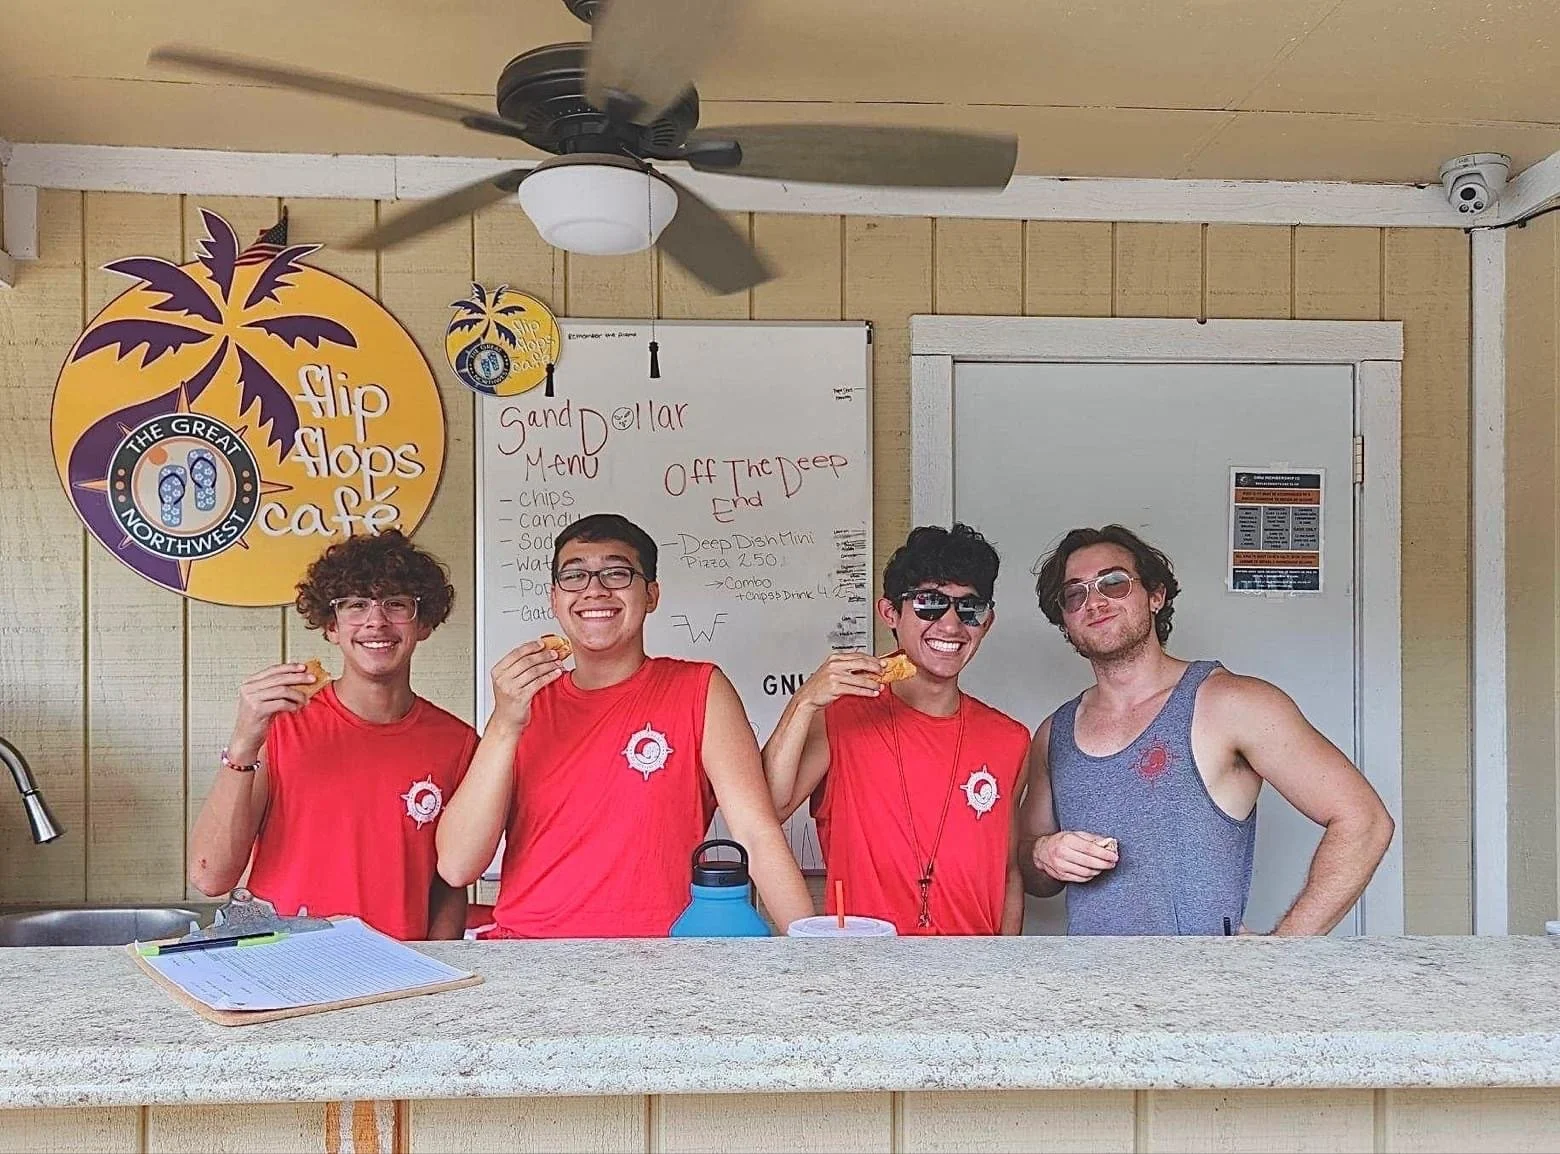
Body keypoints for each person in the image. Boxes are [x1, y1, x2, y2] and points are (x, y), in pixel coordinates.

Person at [436, 512, 815, 937]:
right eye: (574, 576)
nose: (594, 590)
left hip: (664, 953)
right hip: (529, 949)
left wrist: (814, 948)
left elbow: (756, 834)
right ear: (554, 599)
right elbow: (457, 865)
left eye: (617, 573)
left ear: (651, 595)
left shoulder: (699, 689)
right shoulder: (523, 704)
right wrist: (504, 724)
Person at [1017, 524, 1394, 936]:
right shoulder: (1054, 734)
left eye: (1114, 583)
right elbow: (1032, 877)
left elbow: (1364, 820)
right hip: (1088, 977)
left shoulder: (1233, 703)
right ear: (1065, 621)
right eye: (1075, 594)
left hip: (1206, 978)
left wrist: (1285, 948)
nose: (1095, 602)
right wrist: (1042, 853)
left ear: (1156, 596)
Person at [188, 530, 477, 940]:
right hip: (282, 961)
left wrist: (439, 961)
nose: (376, 620)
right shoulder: (280, 725)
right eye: (356, 605)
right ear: (331, 625)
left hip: (400, 967)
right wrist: (242, 743)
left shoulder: (458, 743)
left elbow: (449, 884)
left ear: (424, 622)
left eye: (396, 604)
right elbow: (209, 876)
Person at [763, 524, 1030, 935]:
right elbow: (768, 809)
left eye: (970, 608)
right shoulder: (839, 716)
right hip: (865, 964)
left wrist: (1008, 962)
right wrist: (804, 702)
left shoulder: (1010, 740)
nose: (951, 625)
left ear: (987, 621)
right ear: (890, 612)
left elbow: (1008, 873)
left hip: (976, 968)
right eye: (929, 603)